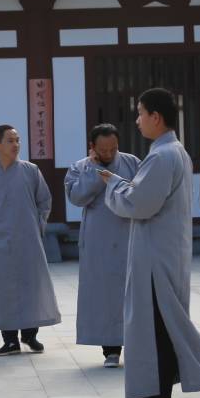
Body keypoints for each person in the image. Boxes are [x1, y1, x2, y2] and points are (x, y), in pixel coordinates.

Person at [103, 89, 200, 398]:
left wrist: (113, 188)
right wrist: (122, 184)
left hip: (155, 255)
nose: (138, 119)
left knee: (156, 326)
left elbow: (139, 203)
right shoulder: (174, 152)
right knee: (169, 323)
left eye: (141, 112)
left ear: (156, 117)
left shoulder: (162, 156)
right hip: (165, 249)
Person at [0, 125, 60, 357]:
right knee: (3, 289)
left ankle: (30, 335)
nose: (16, 145)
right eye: (10, 140)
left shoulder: (31, 170)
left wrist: (37, 227)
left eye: (18, 140)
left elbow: (44, 202)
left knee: (31, 286)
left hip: (28, 240)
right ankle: (9, 340)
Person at [64, 123, 140, 367]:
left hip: (128, 233)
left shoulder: (132, 162)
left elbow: (141, 193)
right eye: (103, 150)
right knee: (104, 295)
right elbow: (77, 197)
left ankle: (137, 345)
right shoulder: (80, 167)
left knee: (131, 294)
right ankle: (110, 350)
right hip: (97, 239)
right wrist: (96, 172)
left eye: (113, 149)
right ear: (93, 148)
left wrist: (116, 182)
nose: (109, 154)